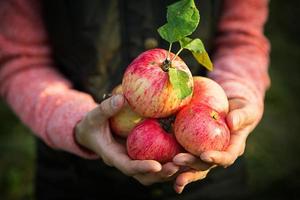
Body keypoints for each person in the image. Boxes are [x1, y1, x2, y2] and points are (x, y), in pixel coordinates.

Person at [0, 0, 270, 199]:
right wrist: (75, 121)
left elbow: (241, 38)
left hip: (209, 177)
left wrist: (238, 91)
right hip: (77, 175)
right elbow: (20, 61)